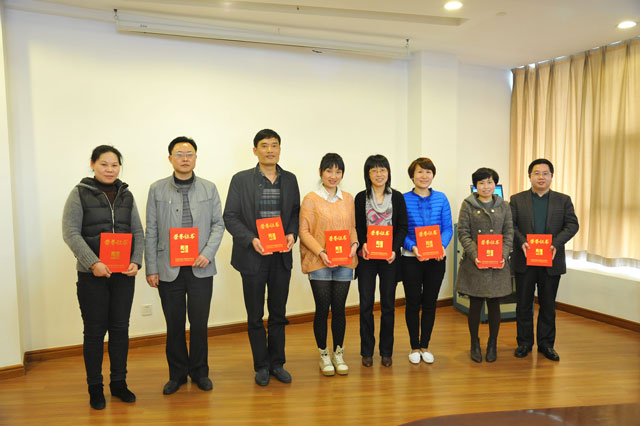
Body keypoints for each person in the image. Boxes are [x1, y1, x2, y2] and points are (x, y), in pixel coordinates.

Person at [62, 145, 144, 410]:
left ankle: (119, 383)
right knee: (95, 332)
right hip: (92, 277)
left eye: (114, 165)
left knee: (120, 330)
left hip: (123, 276)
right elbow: (71, 233)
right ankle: (95, 388)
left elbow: (138, 232)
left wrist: (136, 261)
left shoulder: (126, 195)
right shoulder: (79, 193)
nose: (110, 169)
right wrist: (93, 262)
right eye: (104, 164)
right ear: (92, 164)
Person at [145, 136, 225, 394]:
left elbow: (218, 224)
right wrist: (151, 267)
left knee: (199, 324)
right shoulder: (157, 189)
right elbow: (151, 230)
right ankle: (177, 374)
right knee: (175, 324)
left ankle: (200, 372)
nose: (185, 158)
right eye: (179, 154)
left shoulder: (209, 188)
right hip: (168, 267)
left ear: (196, 158)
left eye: (189, 153)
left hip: (201, 267)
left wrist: (208, 253)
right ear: (170, 158)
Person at [223, 129, 300, 386]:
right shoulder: (241, 180)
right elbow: (230, 216)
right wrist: (251, 239)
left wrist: (292, 233)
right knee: (255, 314)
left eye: (274, 145)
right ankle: (261, 365)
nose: (270, 150)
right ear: (255, 150)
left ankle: (277, 363)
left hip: (281, 256)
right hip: (252, 256)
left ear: (280, 149)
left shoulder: (290, 179)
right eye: (264, 146)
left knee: (278, 312)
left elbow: (295, 212)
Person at [510, 158, 579, 361]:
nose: (541, 177)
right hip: (525, 259)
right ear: (529, 176)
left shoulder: (563, 200)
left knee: (548, 305)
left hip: (551, 260)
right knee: (523, 304)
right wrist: (522, 242)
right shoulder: (517, 199)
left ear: (551, 176)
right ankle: (524, 343)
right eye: (537, 173)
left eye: (545, 173)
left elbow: (572, 225)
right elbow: (511, 225)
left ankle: (546, 345)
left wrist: (556, 243)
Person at [299, 153, 358, 376]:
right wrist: (321, 252)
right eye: (329, 171)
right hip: (319, 262)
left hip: (344, 261)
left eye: (338, 171)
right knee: (323, 309)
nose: (333, 176)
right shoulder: (311, 199)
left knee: (340, 309)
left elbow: (352, 227)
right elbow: (304, 231)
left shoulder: (348, 198)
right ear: (320, 172)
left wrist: (354, 244)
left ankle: (338, 353)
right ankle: (324, 354)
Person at [355, 154, 408, 367]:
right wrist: (363, 243)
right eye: (374, 170)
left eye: (382, 169)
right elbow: (358, 226)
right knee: (366, 305)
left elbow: (402, 227)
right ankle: (367, 351)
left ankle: (386, 351)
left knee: (388, 305)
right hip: (367, 258)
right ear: (368, 174)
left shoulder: (397, 197)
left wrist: (395, 249)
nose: (379, 174)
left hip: (389, 259)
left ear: (388, 172)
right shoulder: (361, 198)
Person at [456, 168, 513, 363]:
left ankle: (492, 344)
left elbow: (509, 232)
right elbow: (463, 232)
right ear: (475, 186)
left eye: (489, 182)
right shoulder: (468, 204)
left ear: (495, 184)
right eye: (481, 183)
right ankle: (474, 342)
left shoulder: (504, 206)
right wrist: (475, 255)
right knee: (475, 305)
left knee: (495, 305)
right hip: (476, 263)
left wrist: (503, 255)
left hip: (498, 264)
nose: (486, 187)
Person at [401, 158, 452, 365]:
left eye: (428, 172)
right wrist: (412, 247)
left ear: (433, 175)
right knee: (413, 302)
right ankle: (414, 346)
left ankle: (425, 345)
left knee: (430, 302)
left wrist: (441, 246)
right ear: (412, 175)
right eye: (420, 172)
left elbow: (447, 227)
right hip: (411, 259)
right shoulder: (402, 199)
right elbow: (401, 230)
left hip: (436, 259)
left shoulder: (441, 198)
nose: (424, 176)